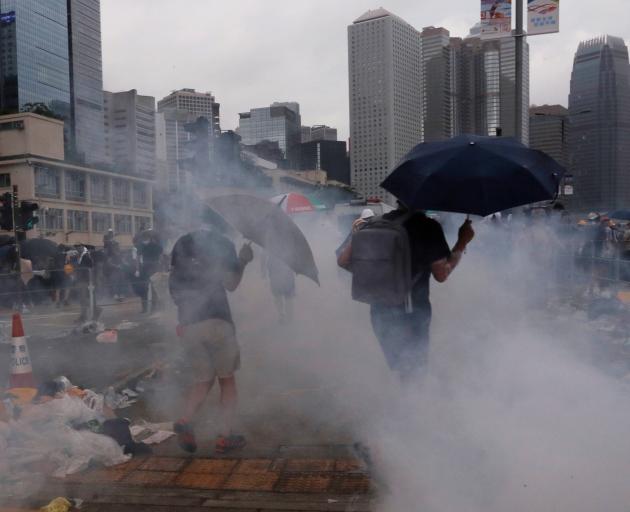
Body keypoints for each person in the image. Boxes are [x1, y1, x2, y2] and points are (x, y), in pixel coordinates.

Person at [339, 204, 474, 380]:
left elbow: (343, 260)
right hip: (411, 313)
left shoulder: (375, 223)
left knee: (398, 367)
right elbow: (442, 273)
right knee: (413, 371)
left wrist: (376, 273)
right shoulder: (428, 227)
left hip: (378, 310)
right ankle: (408, 405)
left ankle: (389, 400)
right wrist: (462, 242)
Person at [169, 229, 253, 454]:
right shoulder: (214, 262)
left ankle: (186, 420)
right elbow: (231, 284)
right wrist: (243, 261)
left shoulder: (176, 273)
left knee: (202, 380)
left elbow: (179, 300)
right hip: (217, 325)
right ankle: (225, 436)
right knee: (227, 380)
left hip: (189, 329)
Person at [263, 251, 295, 323]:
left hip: (275, 270)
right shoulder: (291, 240)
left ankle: (282, 315)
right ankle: (288, 316)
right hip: (285, 270)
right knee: (287, 296)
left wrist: (263, 270)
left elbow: (264, 253)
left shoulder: (270, 240)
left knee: (278, 295)